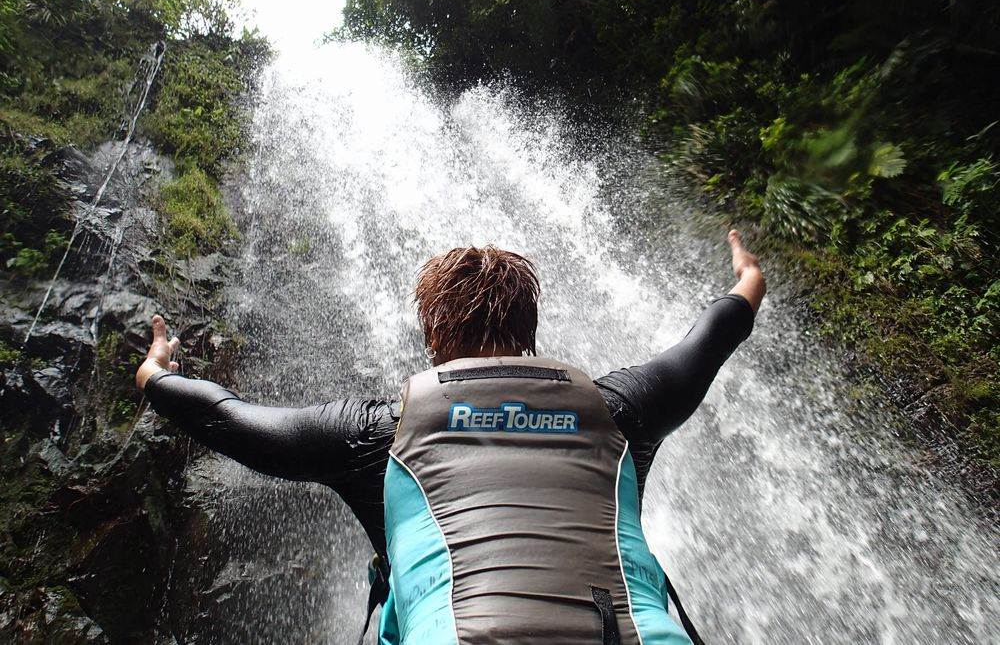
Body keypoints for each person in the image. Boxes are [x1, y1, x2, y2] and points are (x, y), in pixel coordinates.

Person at [135, 230, 765, 645]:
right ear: (531, 329)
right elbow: (711, 336)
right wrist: (747, 275)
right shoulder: (618, 409)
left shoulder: (377, 433)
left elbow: (227, 418)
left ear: (433, 339)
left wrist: (155, 374)